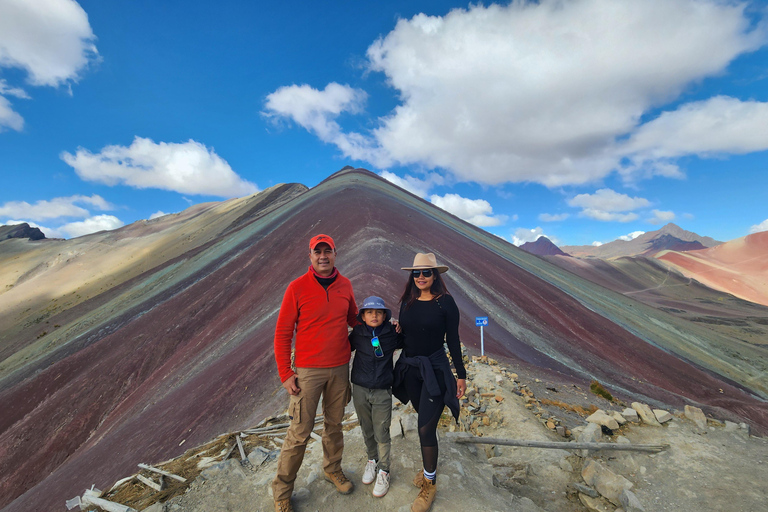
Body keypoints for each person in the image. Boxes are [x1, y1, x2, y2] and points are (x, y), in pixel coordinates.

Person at [271, 234, 359, 512]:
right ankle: (282, 492)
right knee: (299, 432)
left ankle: (332, 469)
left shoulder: (345, 285)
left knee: (334, 425)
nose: (323, 256)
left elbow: (355, 320)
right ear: (309, 256)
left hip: (339, 369)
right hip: (307, 372)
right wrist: (286, 373)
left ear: (335, 254)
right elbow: (283, 333)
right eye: (317, 251)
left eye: (328, 251)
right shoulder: (296, 287)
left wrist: (382, 324)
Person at [392, 252, 467, 512]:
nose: (421, 277)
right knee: (424, 418)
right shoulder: (407, 302)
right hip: (411, 370)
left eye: (426, 272)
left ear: (435, 275)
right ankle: (427, 469)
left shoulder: (446, 303)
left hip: (435, 370)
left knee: (425, 427)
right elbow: (407, 337)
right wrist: (394, 331)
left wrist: (461, 375)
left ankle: (430, 483)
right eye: (416, 273)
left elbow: (453, 341)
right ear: (411, 276)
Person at [348, 296, 404, 498]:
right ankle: (372, 460)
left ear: (385, 316)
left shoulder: (392, 334)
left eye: (378, 312)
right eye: (369, 312)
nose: (374, 315)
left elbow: (409, 343)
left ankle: (384, 470)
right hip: (360, 388)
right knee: (366, 426)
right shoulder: (358, 333)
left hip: (382, 390)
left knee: (382, 430)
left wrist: (399, 325)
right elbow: (343, 349)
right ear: (362, 316)